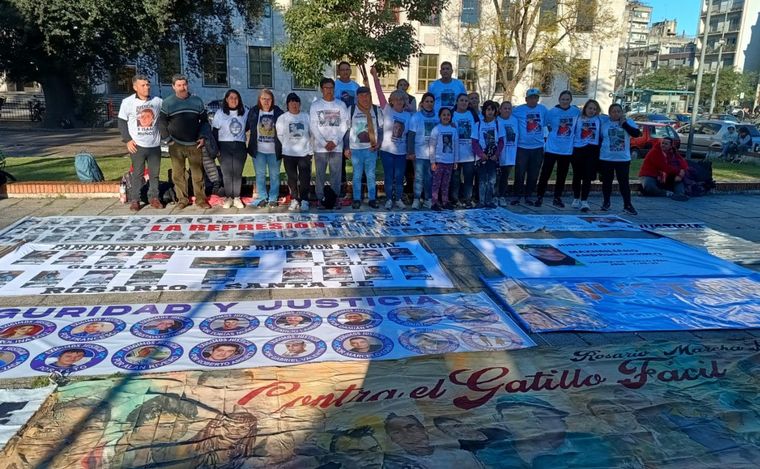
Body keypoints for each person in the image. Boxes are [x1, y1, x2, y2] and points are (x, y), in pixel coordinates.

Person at [159, 74, 211, 210]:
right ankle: (182, 199)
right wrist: (167, 139)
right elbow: (161, 122)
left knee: (198, 173)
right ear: (173, 87)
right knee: (178, 174)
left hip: (195, 143)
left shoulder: (197, 101)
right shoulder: (168, 102)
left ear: (187, 85)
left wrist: (203, 136)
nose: (182, 87)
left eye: (184, 84)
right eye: (179, 85)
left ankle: (200, 199)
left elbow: (205, 121)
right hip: (175, 144)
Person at [118, 74, 163, 211]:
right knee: (137, 173)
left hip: (154, 144)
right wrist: (127, 140)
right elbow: (121, 122)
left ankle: (154, 198)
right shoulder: (128, 102)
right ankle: (135, 200)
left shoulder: (157, 101)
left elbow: (166, 119)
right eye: (143, 85)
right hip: (137, 145)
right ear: (135, 87)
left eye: (148, 85)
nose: (146, 88)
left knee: (154, 174)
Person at [371, 66, 412, 210]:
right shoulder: (387, 109)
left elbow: (410, 134)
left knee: (400, 177)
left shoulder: (408, 115)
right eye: (396, 99)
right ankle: (389, 199)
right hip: (387, 150)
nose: (399, 101)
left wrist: (409, 151)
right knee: (388, 176)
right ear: (392, 101)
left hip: (401, 151)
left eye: (402, 99)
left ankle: (399, 199)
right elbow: (378, 91)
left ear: (405, 101)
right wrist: (375, 76)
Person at [535, 90, 580, 208]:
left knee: (562, 175)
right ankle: (539, 196)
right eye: (563, 99)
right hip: (552, 148)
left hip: (566, 149)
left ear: (571, 100)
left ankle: (557, 197)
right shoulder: (552, 112)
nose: (565, 101)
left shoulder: (576, 112)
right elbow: (544, 124)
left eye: (567, 99)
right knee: (545, 174)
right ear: (559, 100)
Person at [310, 77, 349, 209]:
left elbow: (345, 124)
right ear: (322, 89)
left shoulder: (340, 105)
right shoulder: (315, 105)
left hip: (337, 147)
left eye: (331, 88)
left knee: (336, 175)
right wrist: (324, 142)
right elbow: (313, 126)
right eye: (326, 88)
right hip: (321, 148)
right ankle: (320, 199)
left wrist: (335, 141)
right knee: (320, 175)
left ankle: (335, 199)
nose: (329, 90)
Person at [344, 86, 383, 209]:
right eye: (361, 96)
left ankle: (372, 198)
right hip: (356, 148)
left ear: (370, 96)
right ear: (357, 97)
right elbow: (347, 130)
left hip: (371, 148)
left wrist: (379, 143)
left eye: (367, 95)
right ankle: (356, 199)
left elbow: (381, 129)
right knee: (357, 175)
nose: (364, 98)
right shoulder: (351, 109)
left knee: (371, 175)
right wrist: (346, 147)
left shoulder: (376, 110)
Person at [600, 103, 641, 215]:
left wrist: (624, 125)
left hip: (622, 159)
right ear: (609, 113)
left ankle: (627, 205)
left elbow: (637, 134)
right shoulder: (605, 124)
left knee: (624, 182)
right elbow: (600, 139)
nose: (616, 113)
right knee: (607, 181)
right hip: (606, 158)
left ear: (622, 113)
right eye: (613, 111)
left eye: (618, 111)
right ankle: (606, 202)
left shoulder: (628, 122)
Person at [246, 89, 284, 208]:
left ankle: (273, 198)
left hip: (274, 150)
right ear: (259, 100)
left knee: (275, 175)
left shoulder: (278, 112)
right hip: (259, 151)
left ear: (272, 100)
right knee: (260, 174)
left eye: (269, 99)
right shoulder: (254, 111)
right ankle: (262, 197)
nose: (266, 101)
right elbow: (247, 126)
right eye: (263, 99)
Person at [276, 92, 313, 212]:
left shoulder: (306, 117)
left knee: (305, 178)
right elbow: (280, 135)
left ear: (299, 104)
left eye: (296, 102)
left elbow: (312, 134)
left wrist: (310, 149)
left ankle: (305, 200)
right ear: (287, 105)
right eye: (291, 102)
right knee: (292, 178)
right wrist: (288, 145)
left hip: (304, 153)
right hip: (289, 153)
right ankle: (294, 199)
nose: (294, 104)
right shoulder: (282, 118)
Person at [212, 89, 248, 209]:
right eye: (231, 98)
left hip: (239, 145)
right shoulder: (220, 113)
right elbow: (215, 132)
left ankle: (236, 197)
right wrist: (216, 148)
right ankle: (229, 197)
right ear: (226, 99)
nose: (234, 100)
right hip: (224, 146)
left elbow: (248, 127)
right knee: (227, 173)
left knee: (237, 173)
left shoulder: (245, 112)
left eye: (236, 98)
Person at [511, 88, 548, 205]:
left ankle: (529, 196)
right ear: (526, 99)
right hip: (522, 147)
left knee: (533, 174)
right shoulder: (518, 110)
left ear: (538, 99)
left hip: (537, 147)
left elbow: (549, 124)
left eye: (535, 97)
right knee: (519, 173)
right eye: (531, 98)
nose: (533, 100)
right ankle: (517, 195)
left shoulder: (543, 109)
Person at [570, 99, 603, 212]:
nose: (592, 111)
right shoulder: (578, 118)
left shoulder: (599, 119)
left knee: (587, 176)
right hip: (578, 149)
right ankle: (576, 198)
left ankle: (584, 200)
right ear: (585, 108)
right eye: (590, 108)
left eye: (594, 109)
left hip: (592, 150)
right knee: (577, 175)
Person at [408, 92, 438, 209]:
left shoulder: (437, 117)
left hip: (433, 154)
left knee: (429, 177)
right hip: (419, 153)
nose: (429, 104)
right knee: (419, 177)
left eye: (431, 102)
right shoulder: (416, 117)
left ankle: (428, 199)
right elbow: (411, 135)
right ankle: (416, 199)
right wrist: (410, 152)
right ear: (422, 103)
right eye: (427, 101)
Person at [472, 100, 504, 208]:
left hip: (493, 156)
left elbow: (501, 141)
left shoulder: (498, 124)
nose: (490, 112)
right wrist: (481, 154)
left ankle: (489, 200)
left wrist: (497, 154)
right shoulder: (478, 124)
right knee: (482, 180)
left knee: (492, 180)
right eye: (488, 109)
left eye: (492, 110)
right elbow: (474, 142)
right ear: (484, 111)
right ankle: (481, 201)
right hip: (482, 156)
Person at [450, 93, 478, 208]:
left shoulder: (472, 114)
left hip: (469, 154)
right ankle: (454, 199)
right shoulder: (452, 114)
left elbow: (477, 131)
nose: (464, 103)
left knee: (468, 178)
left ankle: (467, 199)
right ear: (457, 102)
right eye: (461, 100)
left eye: (466, 101)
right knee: (455, 179)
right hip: (455, 154)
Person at [428, 107, 459, 211]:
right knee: (436, 183)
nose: (446, 117)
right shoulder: (436, 129)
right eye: (444, 115)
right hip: (439, 161)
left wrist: (455, 161)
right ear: (440, 116)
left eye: (448, 115)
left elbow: (456, 146)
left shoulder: (454, 130)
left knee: (446, 183)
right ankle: (434, 202)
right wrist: (433, 161)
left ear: (451, 117)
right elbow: (432, 146)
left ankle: (445, 202)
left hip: (449, 161)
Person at [496, 101, 519, 207]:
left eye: (509, 108)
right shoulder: (496, 120)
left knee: (505, 177)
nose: (507, 110)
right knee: (496, 177)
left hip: (510, 153)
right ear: (500, 110)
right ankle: (494, 196)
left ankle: (502, 196)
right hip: (498, 153)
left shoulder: (515, 120)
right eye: (504, 108)